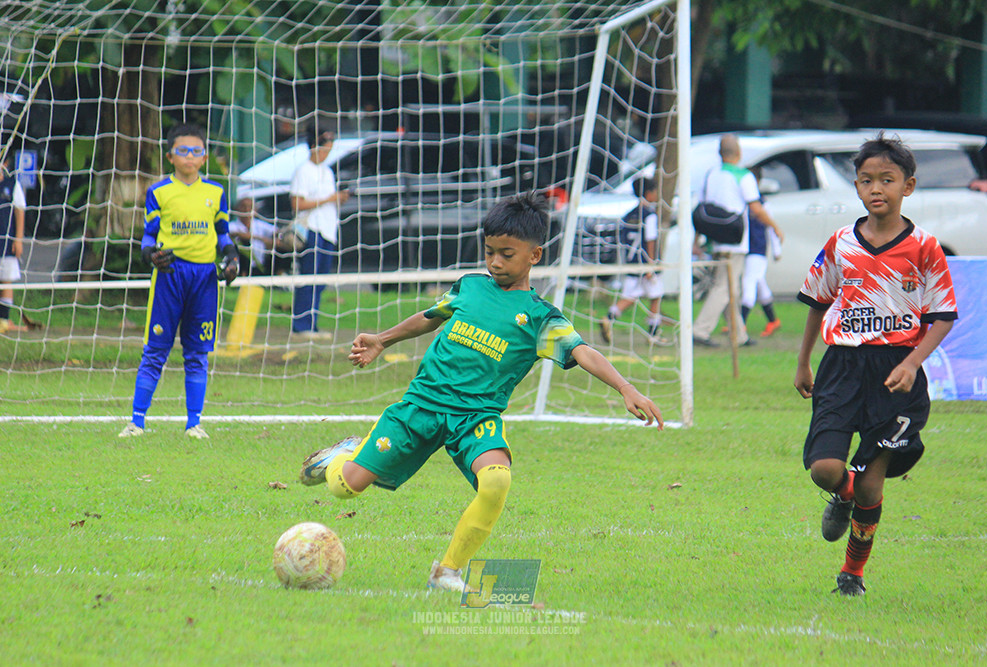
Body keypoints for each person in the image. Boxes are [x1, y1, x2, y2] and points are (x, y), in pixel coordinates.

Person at [297, 192, 664, 591]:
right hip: (420, 407)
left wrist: (626, 388)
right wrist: (383, 340)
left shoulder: (541, 318)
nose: (494, 262)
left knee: (496, 482)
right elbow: (429, 317)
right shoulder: (470, 287)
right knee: (344, 487)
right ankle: (340, 456)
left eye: (506, 254)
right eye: (489, 251)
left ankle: (447, 571)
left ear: (534, 256)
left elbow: (583, 351)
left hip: (475, 419)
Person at [794, 132, 957, 597]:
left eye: (887, 179)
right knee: (825, 469)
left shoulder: (925, 247)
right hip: (842, 365)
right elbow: (816, 302)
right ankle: (840, 495)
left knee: (872, 484)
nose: (876, 189)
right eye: (866, 181)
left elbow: (943, 316)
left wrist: (913, 362)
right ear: (857, 187)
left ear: (908, 185)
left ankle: (852, 574)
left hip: (895, 374)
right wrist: (804, 362)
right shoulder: (841, 244)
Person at [118, 123, 239, 439]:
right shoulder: (159, 192)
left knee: (197, 352)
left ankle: (194, 423)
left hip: (203, 278)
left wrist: (233, 259)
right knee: (155, 350)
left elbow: (224, 235)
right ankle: (136, 422)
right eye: (183, 150)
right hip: (170, 276)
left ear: (204, 157)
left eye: (196, 151)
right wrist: (151, 256)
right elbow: (148, 237)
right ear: (170, 155)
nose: (190, 156)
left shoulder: (216, 193)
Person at [692, 134, 782, 347]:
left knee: (731, 288)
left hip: (714, 239)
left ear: (719, 153)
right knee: (724, 287)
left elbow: (702, 209)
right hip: (735, 239)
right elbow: (756, 208)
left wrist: (696, 241)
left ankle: (738, 335)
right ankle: (699, 330)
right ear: (739, 153)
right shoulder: (744, 176)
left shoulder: (710, 174)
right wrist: (775, 227)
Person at [290, 125, 349, 340]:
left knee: (321, 280)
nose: (327, 154)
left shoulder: (328, 171)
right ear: (314, 147)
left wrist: (339, 198)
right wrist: (329, 199)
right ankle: (301, 324)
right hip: (311, 230)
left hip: (328, 231)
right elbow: (297, 203)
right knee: (309, 277)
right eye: (325, 150)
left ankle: (311, 324)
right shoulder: (303, 171)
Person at [599, 178, 669, 344]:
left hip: (631, 261)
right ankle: (653, 334)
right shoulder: (650, 215)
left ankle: (609, 317)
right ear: (649, 193)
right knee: (655, 295)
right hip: (646, 263)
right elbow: (650, 239)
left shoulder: (629, 215)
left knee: (633, 295)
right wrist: (650, 265)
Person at [740, 170, 782, 338]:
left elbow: (772, 228)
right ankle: (773, 320)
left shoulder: (763, 204)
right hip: (744, 249)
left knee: (749, 282)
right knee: (759, 284)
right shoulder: (741, 202)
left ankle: (740, 323)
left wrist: (777, 250)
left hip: (757, 249)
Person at [229, 197, 290, 276]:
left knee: (283, 247)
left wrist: (275, 239)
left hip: (260, 264)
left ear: (255, 210)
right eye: (243, 206)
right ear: (237, 209)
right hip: (242, 264)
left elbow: (277, 231)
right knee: (243, 243)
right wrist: (263, 239)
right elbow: (237, 234)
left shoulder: (259, 224)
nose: (247, 209)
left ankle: (280, 276)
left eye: (250, 207)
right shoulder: (231, 225)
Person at [0, 154, 26, 334]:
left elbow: (20, 211)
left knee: (6, 279)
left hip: (6, 241)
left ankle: (4, 320)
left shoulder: (12, 185)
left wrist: (18, 238)